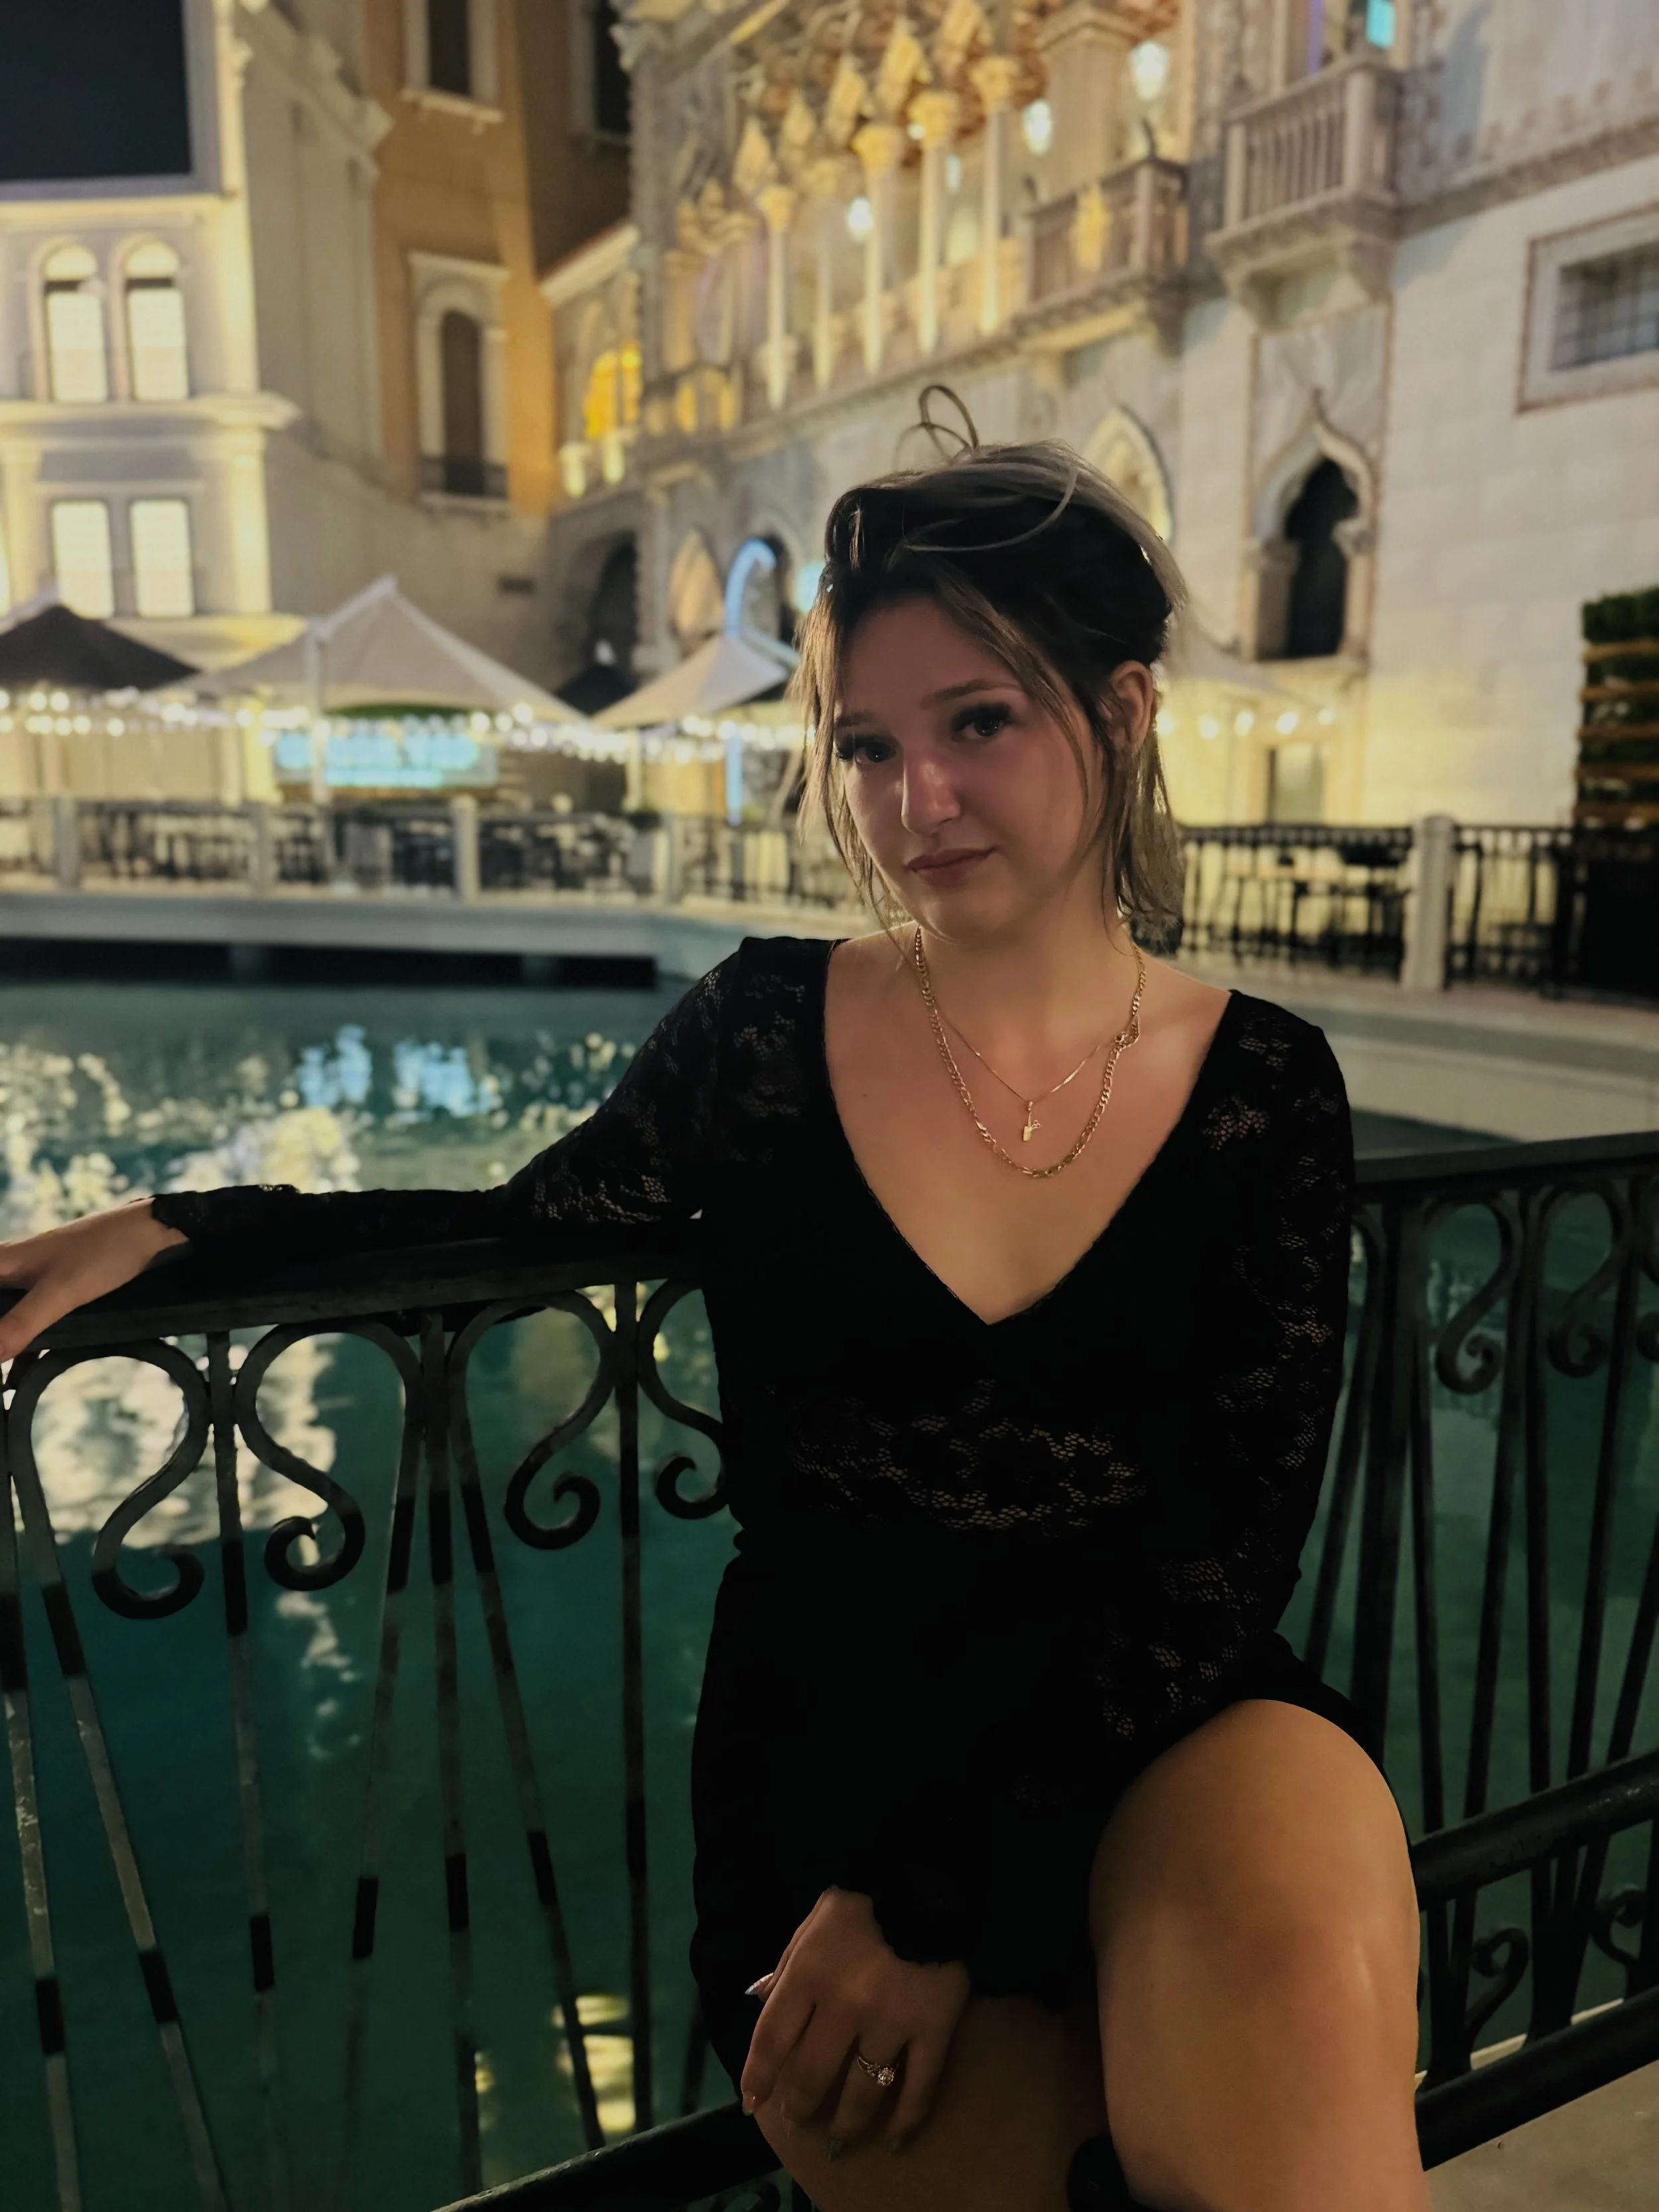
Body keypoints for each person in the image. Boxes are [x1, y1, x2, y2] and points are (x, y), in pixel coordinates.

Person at [0, 398, 1427, 2212]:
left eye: (975, 722)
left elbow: (1220, 1553)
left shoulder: (1263, 1090)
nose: (916, 799)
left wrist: (942, 1899)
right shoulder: (762, 1033)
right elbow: (515, 1219)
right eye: (866, 744)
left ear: (1120, 711)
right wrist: (189, 1221)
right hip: (836, 1759)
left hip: (1167, 1724)